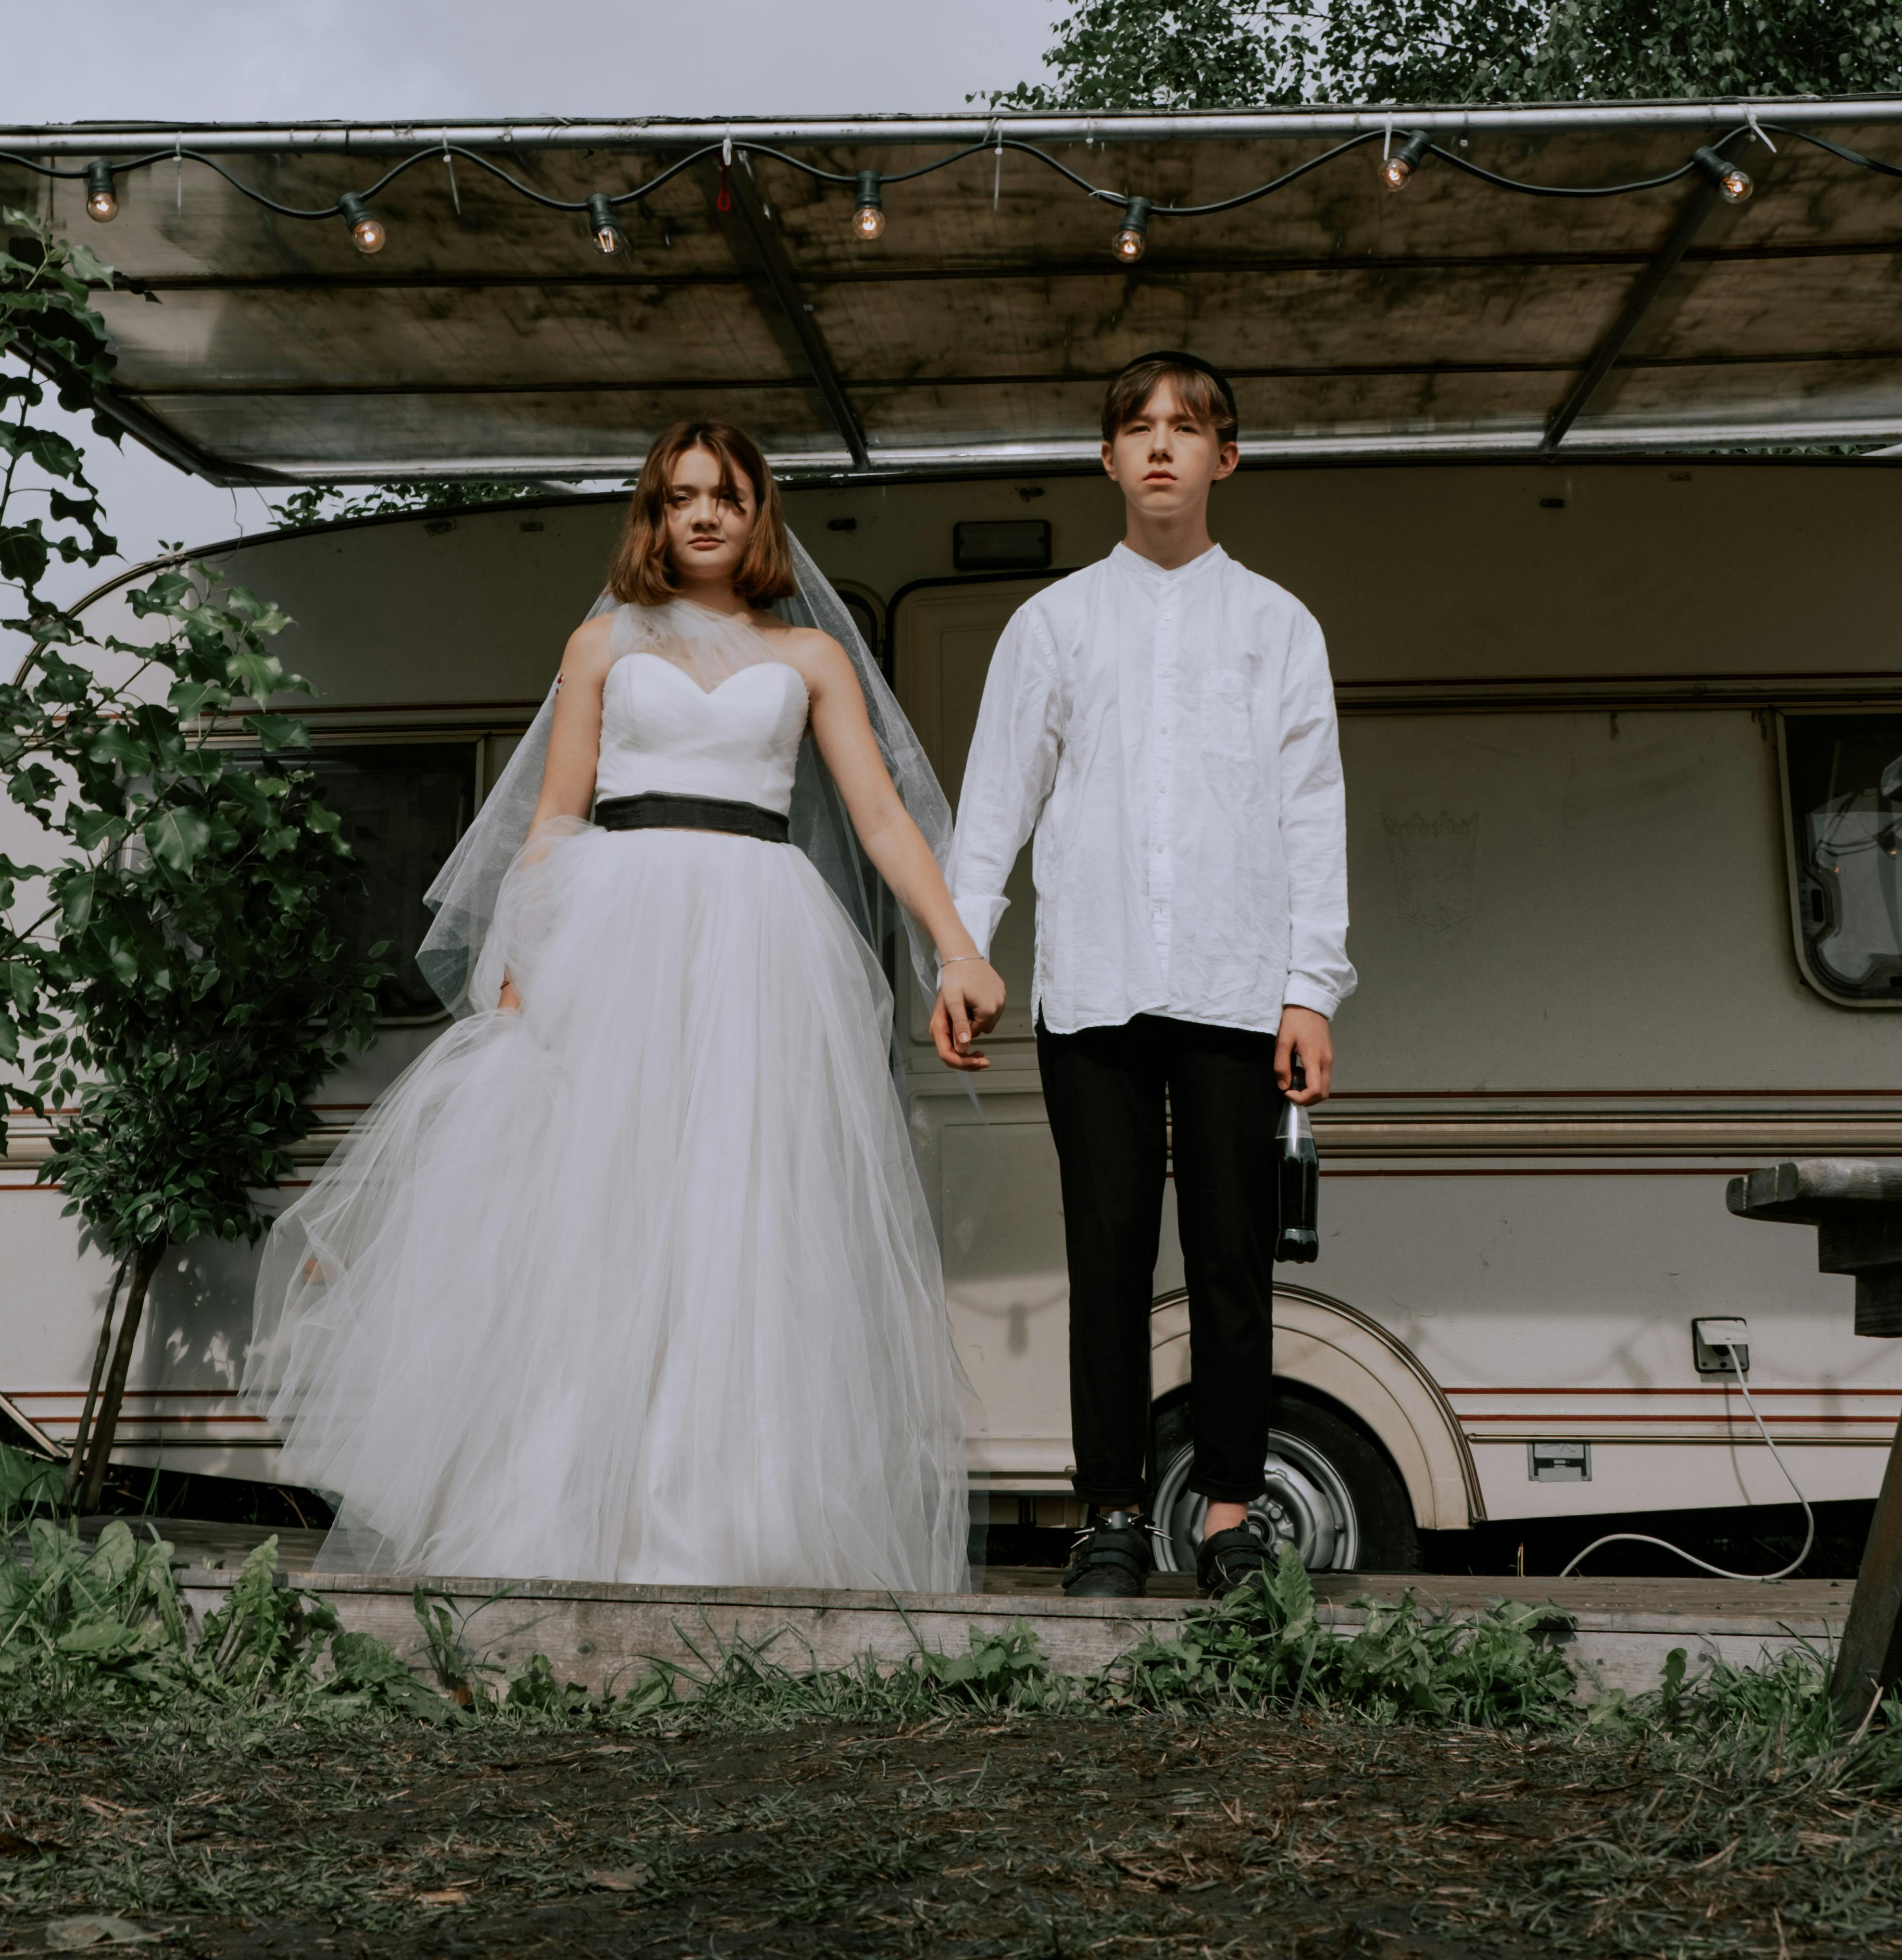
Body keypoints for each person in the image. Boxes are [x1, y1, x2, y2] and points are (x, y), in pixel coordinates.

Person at [245, 421, 1005, 1593]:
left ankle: (728, 1521)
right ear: (651, 517)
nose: (704, 516)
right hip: (618, 931)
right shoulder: (600, 643)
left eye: (729, 497)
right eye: (680, 498)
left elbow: (884, 819)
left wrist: (956, 949)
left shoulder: (809, 659)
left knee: (735, 1217)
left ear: (761, 516)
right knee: (601, 1212)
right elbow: (552, 818)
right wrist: (519, 967)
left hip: (757, 937)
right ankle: (562, 1514)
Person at [937, 354, 1353, 1603]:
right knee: (1107, 1258)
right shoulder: (1053, 624)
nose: (1161, 445)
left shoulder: (1277, 624)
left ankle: (1229, 1514)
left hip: (1236, 990)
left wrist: (1310, 987)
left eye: (1188, 427)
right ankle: (1109, 1511)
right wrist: (964, 950)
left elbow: (1310, 810)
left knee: (1233, 1261)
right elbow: (995, 799)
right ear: (1107, 459)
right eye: (1138, 427)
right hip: (1097, 989)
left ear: (1226, 458)